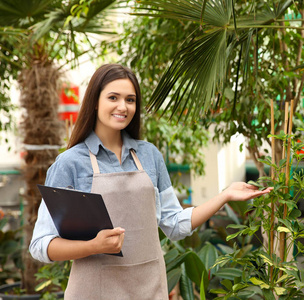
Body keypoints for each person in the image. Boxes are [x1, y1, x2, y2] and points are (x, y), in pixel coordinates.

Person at [29, 64, 272, 299]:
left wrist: (225, 195)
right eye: (113, 97)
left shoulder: (149, 155)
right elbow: (41, 244)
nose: (123, 107)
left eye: (130, 100)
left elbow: (174, 224)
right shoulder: (70, 163)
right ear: (95, 101)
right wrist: (93, 246)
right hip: (95, 291)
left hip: (149, 288)